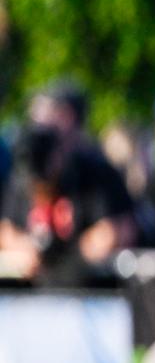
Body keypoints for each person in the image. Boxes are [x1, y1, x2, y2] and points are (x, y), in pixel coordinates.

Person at [0, 89, 136, 286]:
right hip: (33, 303)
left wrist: (71, 259)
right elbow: (6, 227)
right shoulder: (24, 165)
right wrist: (22, 248)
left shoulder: (96, 173)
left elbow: (121, 228)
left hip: (93, 300)